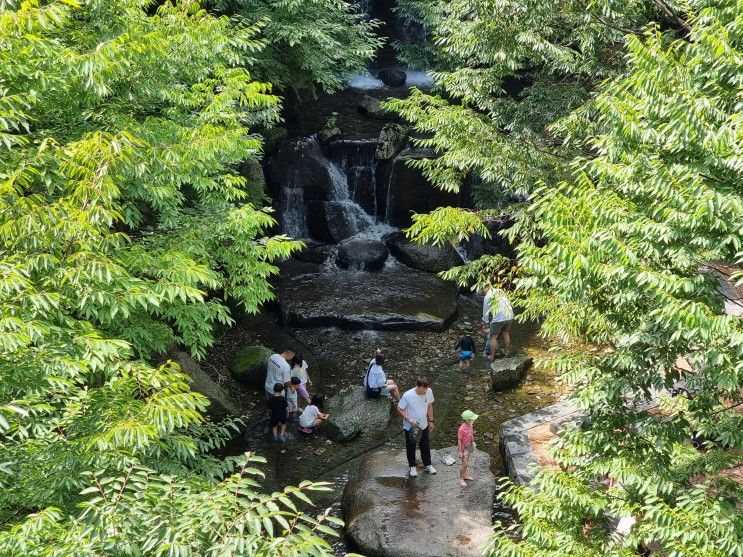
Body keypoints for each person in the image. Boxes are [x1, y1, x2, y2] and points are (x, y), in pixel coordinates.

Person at [397, 376, 436, 477]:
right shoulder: (407, 395)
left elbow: (430, 405)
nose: (425, 391)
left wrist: (431, 420)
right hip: (410, 426)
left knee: (425, 445)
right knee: (411, 446)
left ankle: (428, 464)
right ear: (417, 386)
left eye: (426, 389)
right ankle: (412, 467)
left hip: (424, 425)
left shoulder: (429, 391)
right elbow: (399, 409)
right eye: (423, 389)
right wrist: (410, 419)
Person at [482, 285, 514, 359]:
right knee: (506, 333)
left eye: (482, 289)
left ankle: (492, 356)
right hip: (509, 315)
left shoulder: (487, 297)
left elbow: (485, 312)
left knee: (493, 337)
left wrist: (485, 323)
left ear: (485, 288)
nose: (482, 291)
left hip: (499, 317)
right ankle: (506, 352)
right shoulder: (500, 291)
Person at [457, 409, 478, 486]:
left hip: (469, 445)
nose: (474, 420)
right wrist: (460, 451)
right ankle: (461, 478)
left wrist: (473, 442)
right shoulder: (461, 429)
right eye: (472, 419)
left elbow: (471, 434)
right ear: (467, 420)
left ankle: (465, 475)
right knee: (464, 464)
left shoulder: (470, 425)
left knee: (467, 461)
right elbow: (459, 440)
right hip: (463, 448)